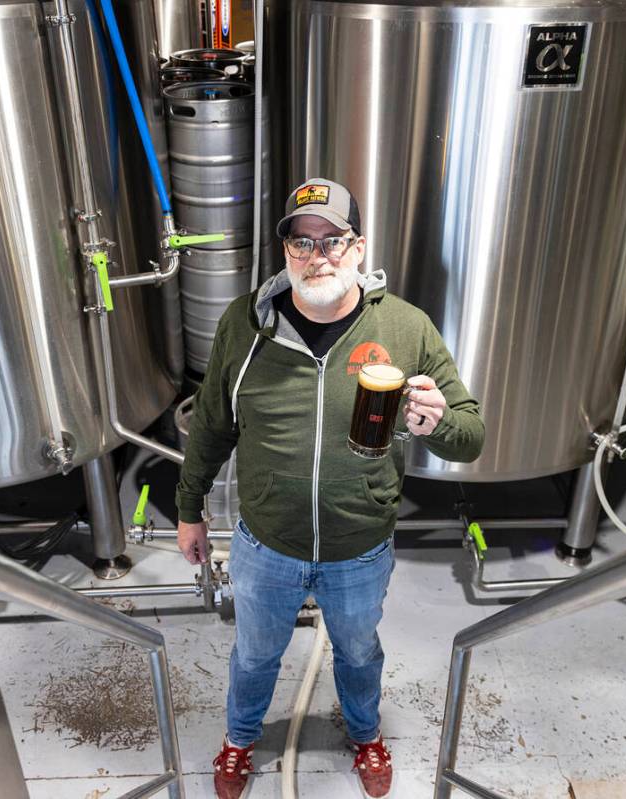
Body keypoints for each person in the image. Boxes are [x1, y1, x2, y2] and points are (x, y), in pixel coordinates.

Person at [176, 178, 484, 798]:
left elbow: (470, 436)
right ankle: (240, 741)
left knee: (358, 652)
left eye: (333, 241)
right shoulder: (246, 324)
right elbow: (212, 424)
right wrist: (189, 509)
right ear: (285, 252)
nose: (318, 256)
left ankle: (365, 733)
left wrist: (435, 422)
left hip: (360, 547)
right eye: (300, 242)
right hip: (266, 544)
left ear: (359, 248)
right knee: (255, 655)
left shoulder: (405, 327)